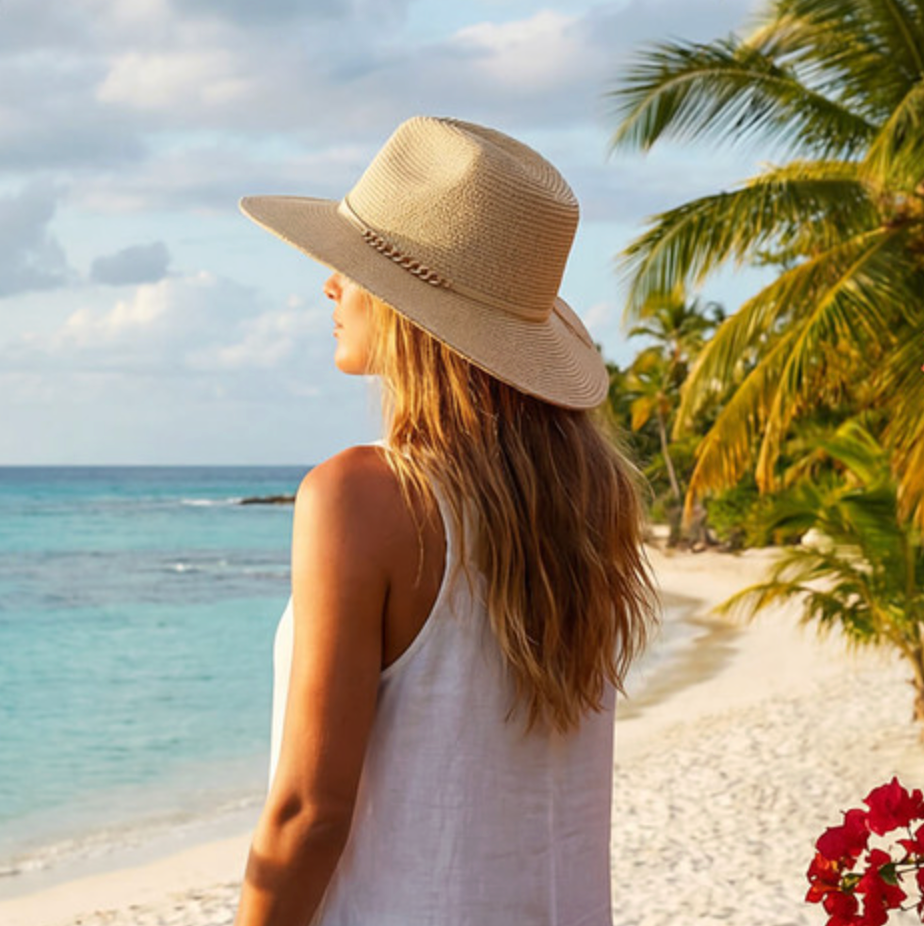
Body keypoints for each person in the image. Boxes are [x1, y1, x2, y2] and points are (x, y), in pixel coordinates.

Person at [234, 115, 658, 926]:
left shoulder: (362, 497)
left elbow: (308, 814)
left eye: (349, 266)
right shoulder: (589, 506)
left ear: (406, 307)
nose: (329, 285)